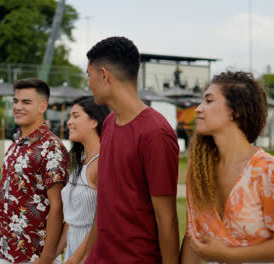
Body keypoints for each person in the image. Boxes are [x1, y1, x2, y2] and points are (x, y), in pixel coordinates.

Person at [180, 71, 274, 264]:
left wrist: (228, 255)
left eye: (209, 101)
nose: (198, 109)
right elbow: (193, 237)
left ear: (236, 111)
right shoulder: (199, 169)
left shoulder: (269, 171)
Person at [82, 36, 180, 264]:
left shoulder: (155, 133)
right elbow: (106, 200)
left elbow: (166, 219)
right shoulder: (108, 123)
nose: (88, 84)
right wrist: (87, 255)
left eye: (90, 75)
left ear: (104, 75)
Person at [0, 78, 69, 264]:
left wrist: (47, 257)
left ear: (42, 106)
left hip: (32, 254)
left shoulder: (52, 148)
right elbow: (3, 202)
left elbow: (58, 206)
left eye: (26, 102)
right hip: (0, 249)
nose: (18, 106)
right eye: (16, 101)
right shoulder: (15, 145)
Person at [54, 96, 110, 263]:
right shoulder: (81, 162)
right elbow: (72, 220)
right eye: (70, 117)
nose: (69, 122)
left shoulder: (103, 163)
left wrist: (77, 258)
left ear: (94, 121)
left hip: (93, 253)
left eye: (76, 116)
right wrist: (52, 255)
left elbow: (103, 220)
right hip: (73, 249)